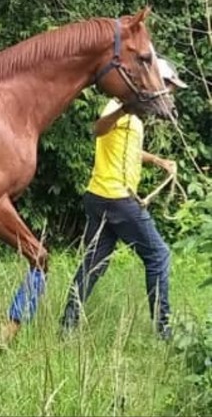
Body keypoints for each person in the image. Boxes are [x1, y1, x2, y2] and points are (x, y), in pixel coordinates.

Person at [60, 57, 188, 340]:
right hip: (118, 200)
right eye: (170, 88)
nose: (171, 95)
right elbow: (99, 129)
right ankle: (164, 330)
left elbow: (127, 148)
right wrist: (125, 108)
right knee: (158, 255)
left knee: (94, 264)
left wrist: (159, 161)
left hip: (99, 197)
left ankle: (67, 325)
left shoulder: (134, 118)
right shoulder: (122, 107)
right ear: (159, 83)